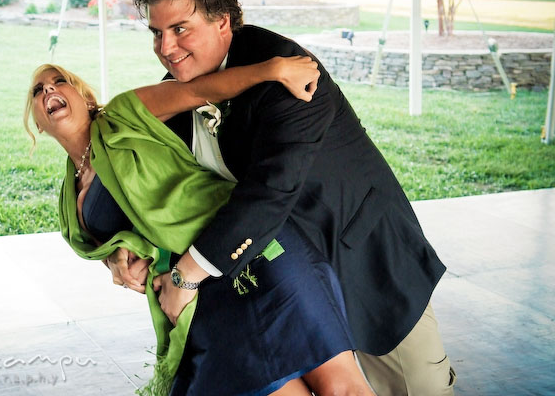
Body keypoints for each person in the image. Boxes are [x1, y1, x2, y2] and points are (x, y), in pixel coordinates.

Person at [120, 0, 456, 396]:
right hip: (286, 279)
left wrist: (184, 277)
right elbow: (150, 178)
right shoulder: (178, 90)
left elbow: (268, 193)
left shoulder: (291, 75)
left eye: (180, 29)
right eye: (156, 33)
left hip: (358, 255)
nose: (166, 47)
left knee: (418, 388)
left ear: (223, 22)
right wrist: (125, 249)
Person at [24, 61, 376, 395]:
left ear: (85, 97)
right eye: (39, 89)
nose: (49, 90)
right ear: (38, 122)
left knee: (340, 388)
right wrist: (118, 259)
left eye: (60, 81)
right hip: (196, 291)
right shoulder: (71, 200)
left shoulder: (124, 115)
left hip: (249, 248)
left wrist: (272, 70)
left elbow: (196, 91)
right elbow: (122, 237)